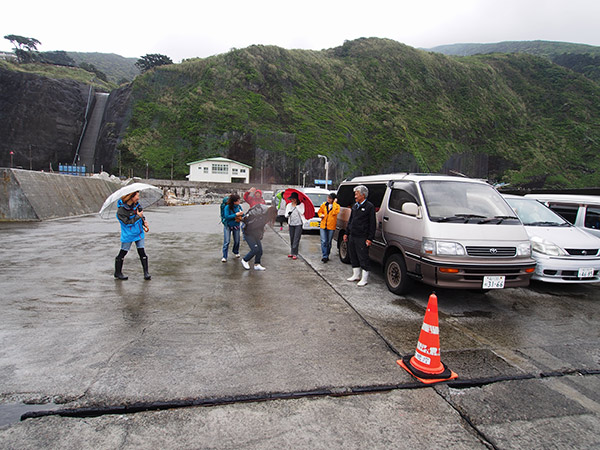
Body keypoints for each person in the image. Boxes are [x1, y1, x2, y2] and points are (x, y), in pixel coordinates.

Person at [114, 191, 151, 281]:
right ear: (131, 197)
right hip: (128, 234)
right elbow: (127, 223)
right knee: (123, 252)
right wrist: (138, 216)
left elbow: (141, 215)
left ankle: (146, 273)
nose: (138, 198)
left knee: (142, 252)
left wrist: (144, 221)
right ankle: (118, 272)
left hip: (139, 232)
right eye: (137, 196)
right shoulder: (121, 211)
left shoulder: (136, 205)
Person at [343, 185, 376, 286]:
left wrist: (370, 238)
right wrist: (346, 233)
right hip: (353, 235)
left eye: (357, 194)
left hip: (362, 236)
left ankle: (364, 278)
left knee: (363, 257)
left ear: (363, 195)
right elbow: (351, 220)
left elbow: (372, 224)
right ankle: (356, 275)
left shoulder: (369, 207)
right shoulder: (355, 206)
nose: (355, 196)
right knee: (353, 255)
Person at [240, 204, 277, 271]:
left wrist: (261, 233)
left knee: (260, 250)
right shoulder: (260, 214)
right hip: (248, 232)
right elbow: (250, 223)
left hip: (256, 233)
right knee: (255, 249)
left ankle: (257, 264)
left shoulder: (265, 216)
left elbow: (261, 226)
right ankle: (245, 260)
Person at [318, 192, 340, 263]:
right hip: (323, 225)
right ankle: (324, 256)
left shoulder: (336, 206)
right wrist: (321, 215)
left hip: (331, 226)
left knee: (328, 242)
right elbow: (319, 212)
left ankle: (327, 254)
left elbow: (334, 212)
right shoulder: (324, 205)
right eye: (328, 198)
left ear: (333, 199)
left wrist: (334, 204)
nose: (328, 199)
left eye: (330, 198)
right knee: (323, 241)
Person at [222, 193, 244, 262]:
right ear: (234, 201)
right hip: (228, 226)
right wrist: (235, 214)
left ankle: (235, 251)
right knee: (227, 241)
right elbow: (226, 216)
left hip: (236, 225)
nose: (239, 202)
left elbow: (242, 215)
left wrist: (242, 215)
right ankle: (224, 256)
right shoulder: (227, 207)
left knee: (237, 241)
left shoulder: (239, 207)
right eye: (238, 200)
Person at [285, 191, 306, 260]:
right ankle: (292, 252)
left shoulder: (301, 205)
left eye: (294, 199)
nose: (292, 200)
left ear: (296, 199)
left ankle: (295, 253)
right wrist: (289, 213)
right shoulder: (288, 205)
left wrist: (297, 206)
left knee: (296, 239)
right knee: (292, 238)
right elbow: (286, 215)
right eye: (291, 199)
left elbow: (302, 212)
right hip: (291, 224)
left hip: (298, 224)